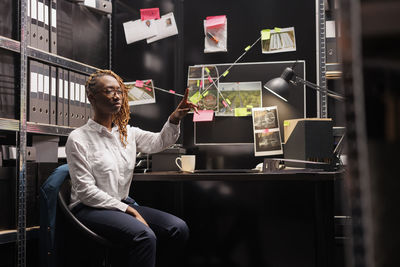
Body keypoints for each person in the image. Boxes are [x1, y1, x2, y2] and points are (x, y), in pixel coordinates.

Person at [65, 69, 197, 267]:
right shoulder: (78, 138)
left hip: (122, 206)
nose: (117, 96)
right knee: (144, 236)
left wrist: (175, 118)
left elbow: (159, 142)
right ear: (92, 98)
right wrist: (129, 210)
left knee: (178, 228)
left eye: (119, 91)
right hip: (90, 209)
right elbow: (85, 192)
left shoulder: (127, 134)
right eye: (109, 91)